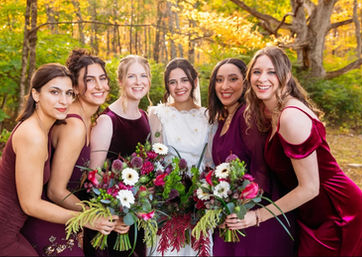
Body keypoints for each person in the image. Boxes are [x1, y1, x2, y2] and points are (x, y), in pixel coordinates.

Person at [229, 46, 362, 256]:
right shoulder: (269, 111)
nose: (262, 78)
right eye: (256, 72)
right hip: (309, 213)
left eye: (271, 72)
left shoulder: (290, 116)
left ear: (286, 76)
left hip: (337, 212)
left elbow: (310, 187)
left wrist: (257, 216)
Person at [0, 63, 116, 256]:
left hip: (11, 229)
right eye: (54, 92)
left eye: (69, 93)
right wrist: (86, 218)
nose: (64, 100)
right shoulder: (32, 135)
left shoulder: (43, 129)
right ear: (36, 95)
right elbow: (30, 204)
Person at [21, 49, 117, 256]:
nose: (100, 86)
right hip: (46, 219)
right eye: (90, 80)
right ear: (75, 86)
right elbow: (55, 190)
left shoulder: (88, 120)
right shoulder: (73, 125)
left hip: (66, 219)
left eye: (103, 78)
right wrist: (96, 216)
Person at [207, 58, 295, 256]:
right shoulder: (223, 119)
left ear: (246, 83)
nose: (225, 86)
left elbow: (261, 168)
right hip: (233, 216)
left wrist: (242, 210)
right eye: (219, 80)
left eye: (233, 79)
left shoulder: (247, 115)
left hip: (258, 217)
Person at [89, 55, 151, 256]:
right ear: (120, 81)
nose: (138, 81)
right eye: (131, 76)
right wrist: (116, 216)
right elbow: (94, 177)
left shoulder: (145, 117)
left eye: (143, 75)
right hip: (112, 222)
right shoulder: (107, 120)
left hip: (135, 217)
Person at [148, 58, 211, 256]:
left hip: (200, 198)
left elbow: (210, 161)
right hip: (167, 197)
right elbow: (155, 157)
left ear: (194, 81)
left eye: (184, 80)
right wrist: (165, 190)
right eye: (172, 82)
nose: (179, 86)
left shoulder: (209, 116)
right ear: (167, 85)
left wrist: (203, 192)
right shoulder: (158, 114)